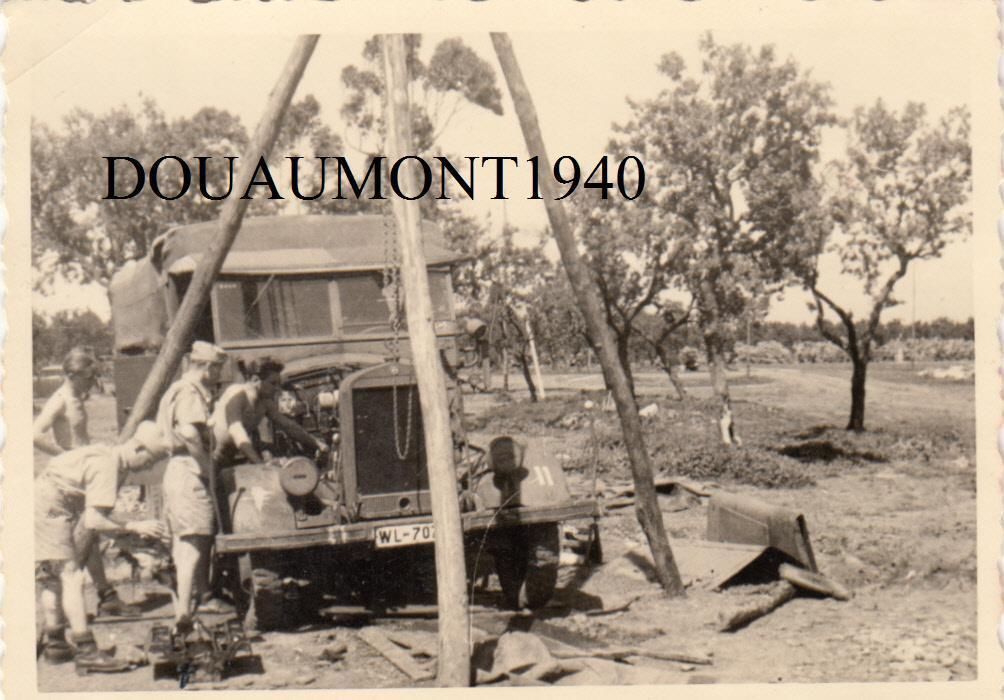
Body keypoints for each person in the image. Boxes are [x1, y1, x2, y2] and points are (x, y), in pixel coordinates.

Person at [35, 421, 169, 671]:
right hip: (50, 508)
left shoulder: (107, 455)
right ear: (139, 448)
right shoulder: (109, 466)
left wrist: (123, 534)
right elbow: (94, 519)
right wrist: (133, 526)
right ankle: (86, 650)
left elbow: (93, 520)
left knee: (51, 577)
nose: (149, 467)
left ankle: (56, 645)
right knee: (71, 575)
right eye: (150, 460)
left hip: (44, 502)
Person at [33, 346, 138, 618]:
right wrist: (68, 456)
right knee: (79, 541)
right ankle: (70, 604)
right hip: (70, 476)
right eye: (88, 377)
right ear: (73, 374)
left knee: (89, 537)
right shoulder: (60, 399)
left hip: (83, 477)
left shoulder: (77, 398)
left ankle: (104, 596)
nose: (92, 382)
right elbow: (35, 434)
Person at [156, 340, 226, 634]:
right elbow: (188, 432)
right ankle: (183, 613)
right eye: (218, 368)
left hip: (178, 471)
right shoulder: (188, 393)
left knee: (188, 542)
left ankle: (192, 602)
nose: (219, 374)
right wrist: (207, 468)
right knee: (192, 544)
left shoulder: (177, 389)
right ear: (207, 367)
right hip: (189, 472)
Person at [210, 357, 328, 466]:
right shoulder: (237, 393)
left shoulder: (265, 402)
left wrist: (317, 443)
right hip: (210, 456)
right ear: (256, 380)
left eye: (278, 384)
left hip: (230, 456)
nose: (277, 388)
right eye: (273, 383)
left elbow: (288, 426)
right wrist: (259, 463)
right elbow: (236, 430)